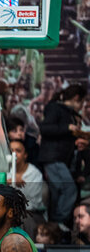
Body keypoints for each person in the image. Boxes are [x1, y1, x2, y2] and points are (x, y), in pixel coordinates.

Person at [39, 84, 87, 226]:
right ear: (77, 98)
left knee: (58, 192)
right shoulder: (55, 108)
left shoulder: (69, 113)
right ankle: (58, 223)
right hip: (53, 158)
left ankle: (54, 223)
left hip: (60, 159)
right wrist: (67, 128)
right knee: (68, 189)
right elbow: (45, 129)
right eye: (82, 102)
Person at [8, 139, 47, 223]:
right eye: (11, 151)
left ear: (25, 155)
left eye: (18, 151)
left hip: (32, 214)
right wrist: (8, 182)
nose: (14, 154)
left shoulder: (34, 174)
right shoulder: (5, 172)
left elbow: (33, 204)